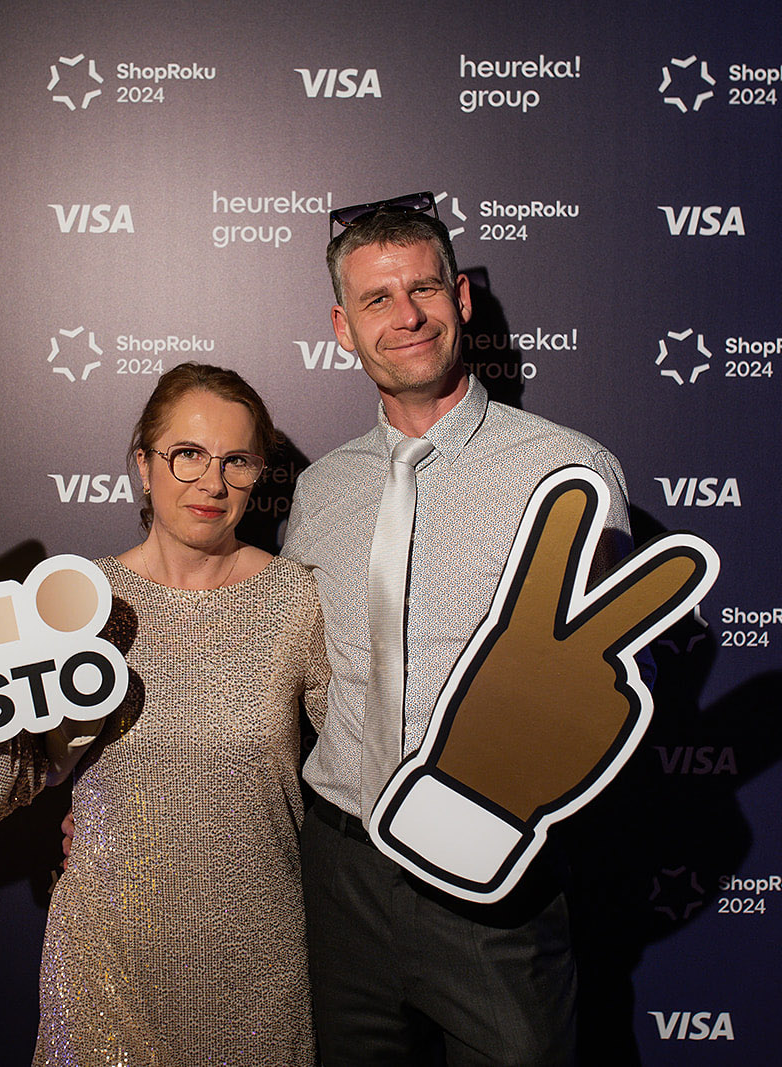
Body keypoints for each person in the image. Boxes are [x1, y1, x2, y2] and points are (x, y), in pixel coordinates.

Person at [281, 194, 636, 1065]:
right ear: (343, 327)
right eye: (377, 298)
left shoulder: (567, 469)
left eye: (425, 288)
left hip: (492, 875)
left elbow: (617, 675)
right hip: (341, 870)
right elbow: (280, 673)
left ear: (461, 299)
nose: (406, 315)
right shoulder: (321, 489)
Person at [0, 363, 328, 1067]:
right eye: (188, 454)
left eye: (236, 461)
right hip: (104, 970)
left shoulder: (299, 602)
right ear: (144, 466)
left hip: (256, 970)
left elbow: (362, 772)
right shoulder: (75, 605)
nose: (212, 483)